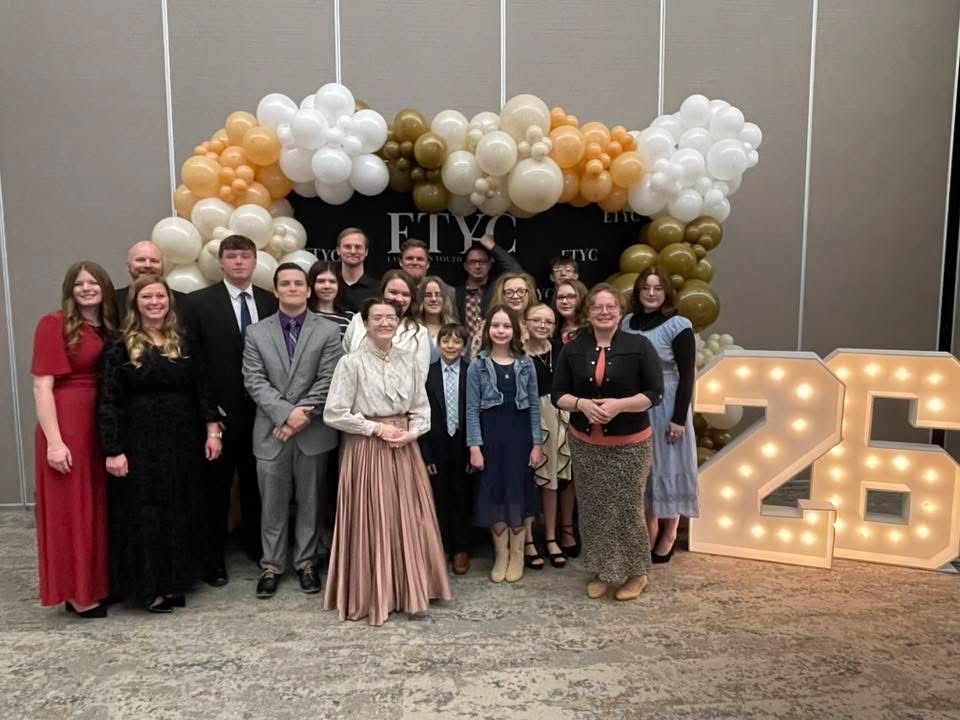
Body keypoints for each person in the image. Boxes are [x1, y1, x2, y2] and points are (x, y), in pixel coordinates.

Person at [323, 297, 451, 626]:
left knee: (407, 519)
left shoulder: (409, 360)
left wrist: (413, 433)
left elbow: (421, 408)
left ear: (398, 322)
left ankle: (408, 590)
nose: (384, 322)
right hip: (367, 450)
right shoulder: (350, 363)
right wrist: (376, 428)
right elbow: (334, 413)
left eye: (390, 317)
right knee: (372, 518)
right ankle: (372, 594)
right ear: (364, 323)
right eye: (377, 317)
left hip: (404, 449)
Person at [98, 275, 222, 612]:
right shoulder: (119, 343)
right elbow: (109, 399)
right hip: (139, 441)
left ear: (169, 300)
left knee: (179, 508)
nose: (155, 302)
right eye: (147, 297)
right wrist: (113, 449)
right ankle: (149, 587)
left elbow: (203, 388)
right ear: (136, 303)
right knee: (145, 513)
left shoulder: (182, 339)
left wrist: (213, 431)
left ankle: (174, 580)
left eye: (160, 296)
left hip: (183, 438)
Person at [552, 284, 663, 601]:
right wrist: (582, 404)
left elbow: (654, 394)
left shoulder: (639, 346)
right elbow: (559, 394)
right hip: (585, 443)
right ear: (587, 312)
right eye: (597, 307)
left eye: (610, 306)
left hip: (630, 444)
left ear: (620, 310)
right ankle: (603, 569)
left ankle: (637, 572)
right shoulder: (573, 347)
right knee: (593, 509)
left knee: (627, 509)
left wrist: (619, 405)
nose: (604, 312)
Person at [182, 234, 278, 586]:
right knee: (215, 490)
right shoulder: (198, 304)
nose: (239, 262)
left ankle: (257, 547)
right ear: (221, 262)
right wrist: (208, 409)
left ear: (255, 262)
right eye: (232, 257)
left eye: (245, 257)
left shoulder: (270, 302)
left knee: (257, 485)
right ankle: (212, 560)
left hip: (262, 413)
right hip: (219, 415)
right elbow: (194, 362)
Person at [242, 263, 343, 599]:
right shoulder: (256, 333)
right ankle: (271, 565)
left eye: (298, 283)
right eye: (285, 283)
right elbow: (254, 381)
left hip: (313, 433)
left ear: (309, 289)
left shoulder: (328, 331)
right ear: (276, 290)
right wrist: (286, 416)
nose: (292, 288)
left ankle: (306, 563)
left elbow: (329, 378)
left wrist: (302, 417)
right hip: (271, 432)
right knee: (272, 503)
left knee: (311, 502)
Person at [32, 261, 118, 618]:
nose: (87, 288)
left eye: (93, 282)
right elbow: (42, 385)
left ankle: (94, 584)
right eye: (79, 283)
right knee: (72, 510)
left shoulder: (107, 325)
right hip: (67, 425)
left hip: (98, 423)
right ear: (70, 289)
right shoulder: (54, 325)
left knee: (95, 508)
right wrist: (54, 441)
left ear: (104, 287)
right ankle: (77, 594)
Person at [622, 267, 699, 563]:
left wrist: (679, 418)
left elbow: (687, 375)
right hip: (637, 401)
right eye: (646, 287)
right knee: (646, 469)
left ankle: (670, 532)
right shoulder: (628, 323)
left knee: (670, 464)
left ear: (666, 292)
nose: (651, 293)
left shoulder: (679, 325)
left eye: (657, 288)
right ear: (638, 291)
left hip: (668, 402)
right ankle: (649, 529)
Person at [466, 305, 543, 583]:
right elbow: (472, 409)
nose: (501, 331)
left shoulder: (526, 364)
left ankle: (518, 554)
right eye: (496, 326)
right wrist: (475, 446)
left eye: (506, 326)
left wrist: (537, 443)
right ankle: (501, 555)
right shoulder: (478, 365)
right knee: (495, 494)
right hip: (491, 438)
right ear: (488, 330)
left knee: (519, 493)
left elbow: (535, 406)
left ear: (515, 331)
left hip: (521, 438)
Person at [418, 323, 473, 575]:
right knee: (439, 498)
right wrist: (426, 453)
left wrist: (475, 448)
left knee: (463, 497)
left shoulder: (472, 373)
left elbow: (477, 414)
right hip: (437, 446)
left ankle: (462, 547)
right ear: (438, 344)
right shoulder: (426, 374)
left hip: (463, 445)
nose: (451, 346)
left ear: (465, 346)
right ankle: (443, 547)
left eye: (456, 342)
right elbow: (420, 415)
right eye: (446, 341)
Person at [523, 303, 571, 569]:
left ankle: (551, 537)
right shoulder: (519, 353)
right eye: (537, 320)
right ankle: (529, 540)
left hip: (557, 416)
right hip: (527, 417)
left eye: (548, 321)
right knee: (529, 479)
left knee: (551, 480)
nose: (542, 325)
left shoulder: (561, 350)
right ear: (526, 323)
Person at [552, 278, 588, 558]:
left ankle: (583, 527)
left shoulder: (591, 330)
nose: (564, 301)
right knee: (562, 472)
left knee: (581, 472)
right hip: (556, 405)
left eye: (570, 296)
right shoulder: (549, 329)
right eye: (560, 297)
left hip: (586, 406)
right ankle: (563, 528)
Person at [342, 269, 431, 378]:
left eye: (406, 294)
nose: (399, 299)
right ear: (382, 292)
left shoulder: (420, 332)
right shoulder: (359, 320)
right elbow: (344, 363)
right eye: (393, 292)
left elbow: (420, 377)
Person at [454, 234, 524, 358]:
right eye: (472, 262)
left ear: (490, 264)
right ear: (465, 266)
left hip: (494, 355)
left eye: (482, 262)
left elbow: (518, 273)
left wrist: (493, 247)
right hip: (462, 357)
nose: (477, 266)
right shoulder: (455, 293)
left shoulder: (497, 288)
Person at [115, 240, 184, 318]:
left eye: (154, 261)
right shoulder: (112, 301)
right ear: (128, 266)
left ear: (163, 266)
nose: (148, 265)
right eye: (141, 260)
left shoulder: (184, 302)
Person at [418, 275, 459, 363]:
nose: (433, 299)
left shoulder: (455, 329)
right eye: (428, 295)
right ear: (421, 299)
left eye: (438, 295)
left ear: (444, 299)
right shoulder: (413, 328)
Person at [307, 260, 353, 337]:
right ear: (312, 284)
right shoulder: (302, 314)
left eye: (332, 281)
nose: (327, 286)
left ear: (339, 285)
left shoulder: (350, 318)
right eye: (321, 281)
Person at [337, 227, 378, 312]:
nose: (353, 251)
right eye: (347, 246)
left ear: (366, 251)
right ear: (338, 250)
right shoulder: (330, 285)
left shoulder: (378, 288)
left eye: (358, 247)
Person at [554, 279, 588, 346]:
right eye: (560, 297)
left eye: (571, 297)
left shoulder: (592, 328)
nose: (564, 301)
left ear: (582, 298)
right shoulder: (554, 329)